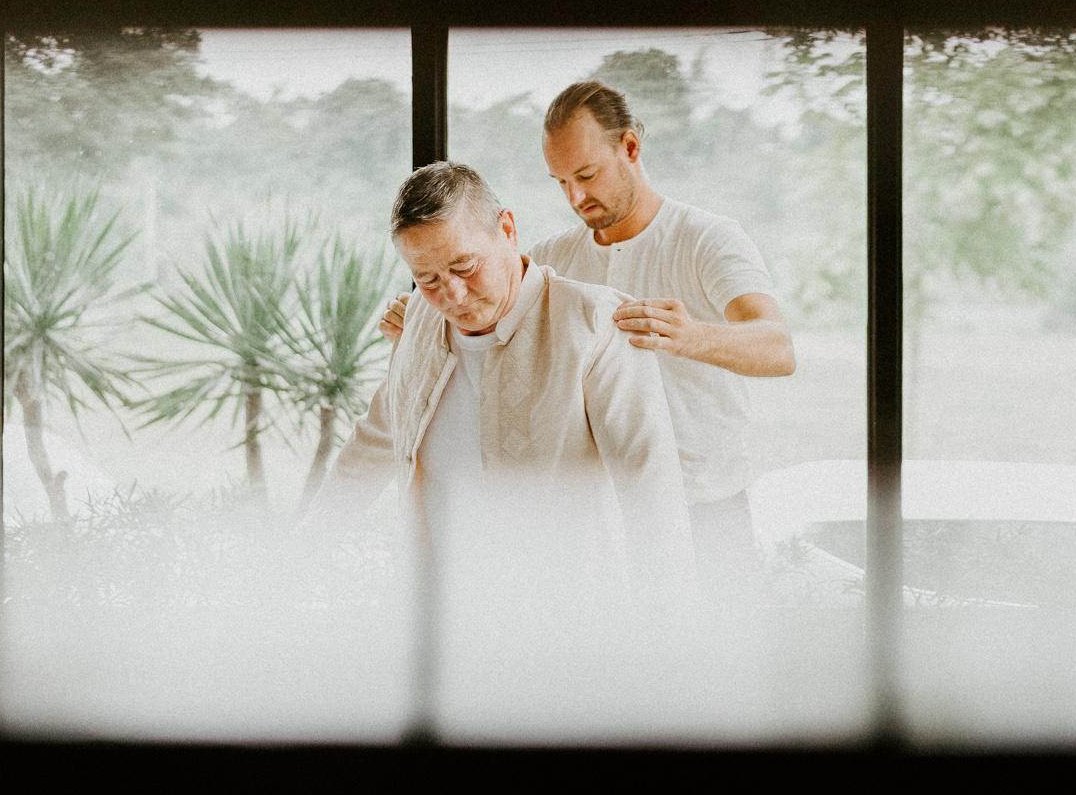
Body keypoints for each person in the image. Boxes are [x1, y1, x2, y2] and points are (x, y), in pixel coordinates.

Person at [382, 81, 794, 587]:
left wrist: (689, 336)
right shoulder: (552, 256)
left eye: (586, 174)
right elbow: (485, 313)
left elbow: (778, 348)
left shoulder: (706, 239)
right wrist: (422, 324)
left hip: (708, 504)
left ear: (630, 147)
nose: (575, 196)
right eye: (560, 181)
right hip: (611, 515)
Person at [310, 160, 693, 598]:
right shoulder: (417, 316)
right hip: (436, 604)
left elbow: (651, 489)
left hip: (566, 611)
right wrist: (302, 551)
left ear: (507, 229)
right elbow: (377, 437)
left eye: (465, 266)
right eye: (427, 278)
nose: (452, 295)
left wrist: (668, 622)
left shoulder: (594, 323)